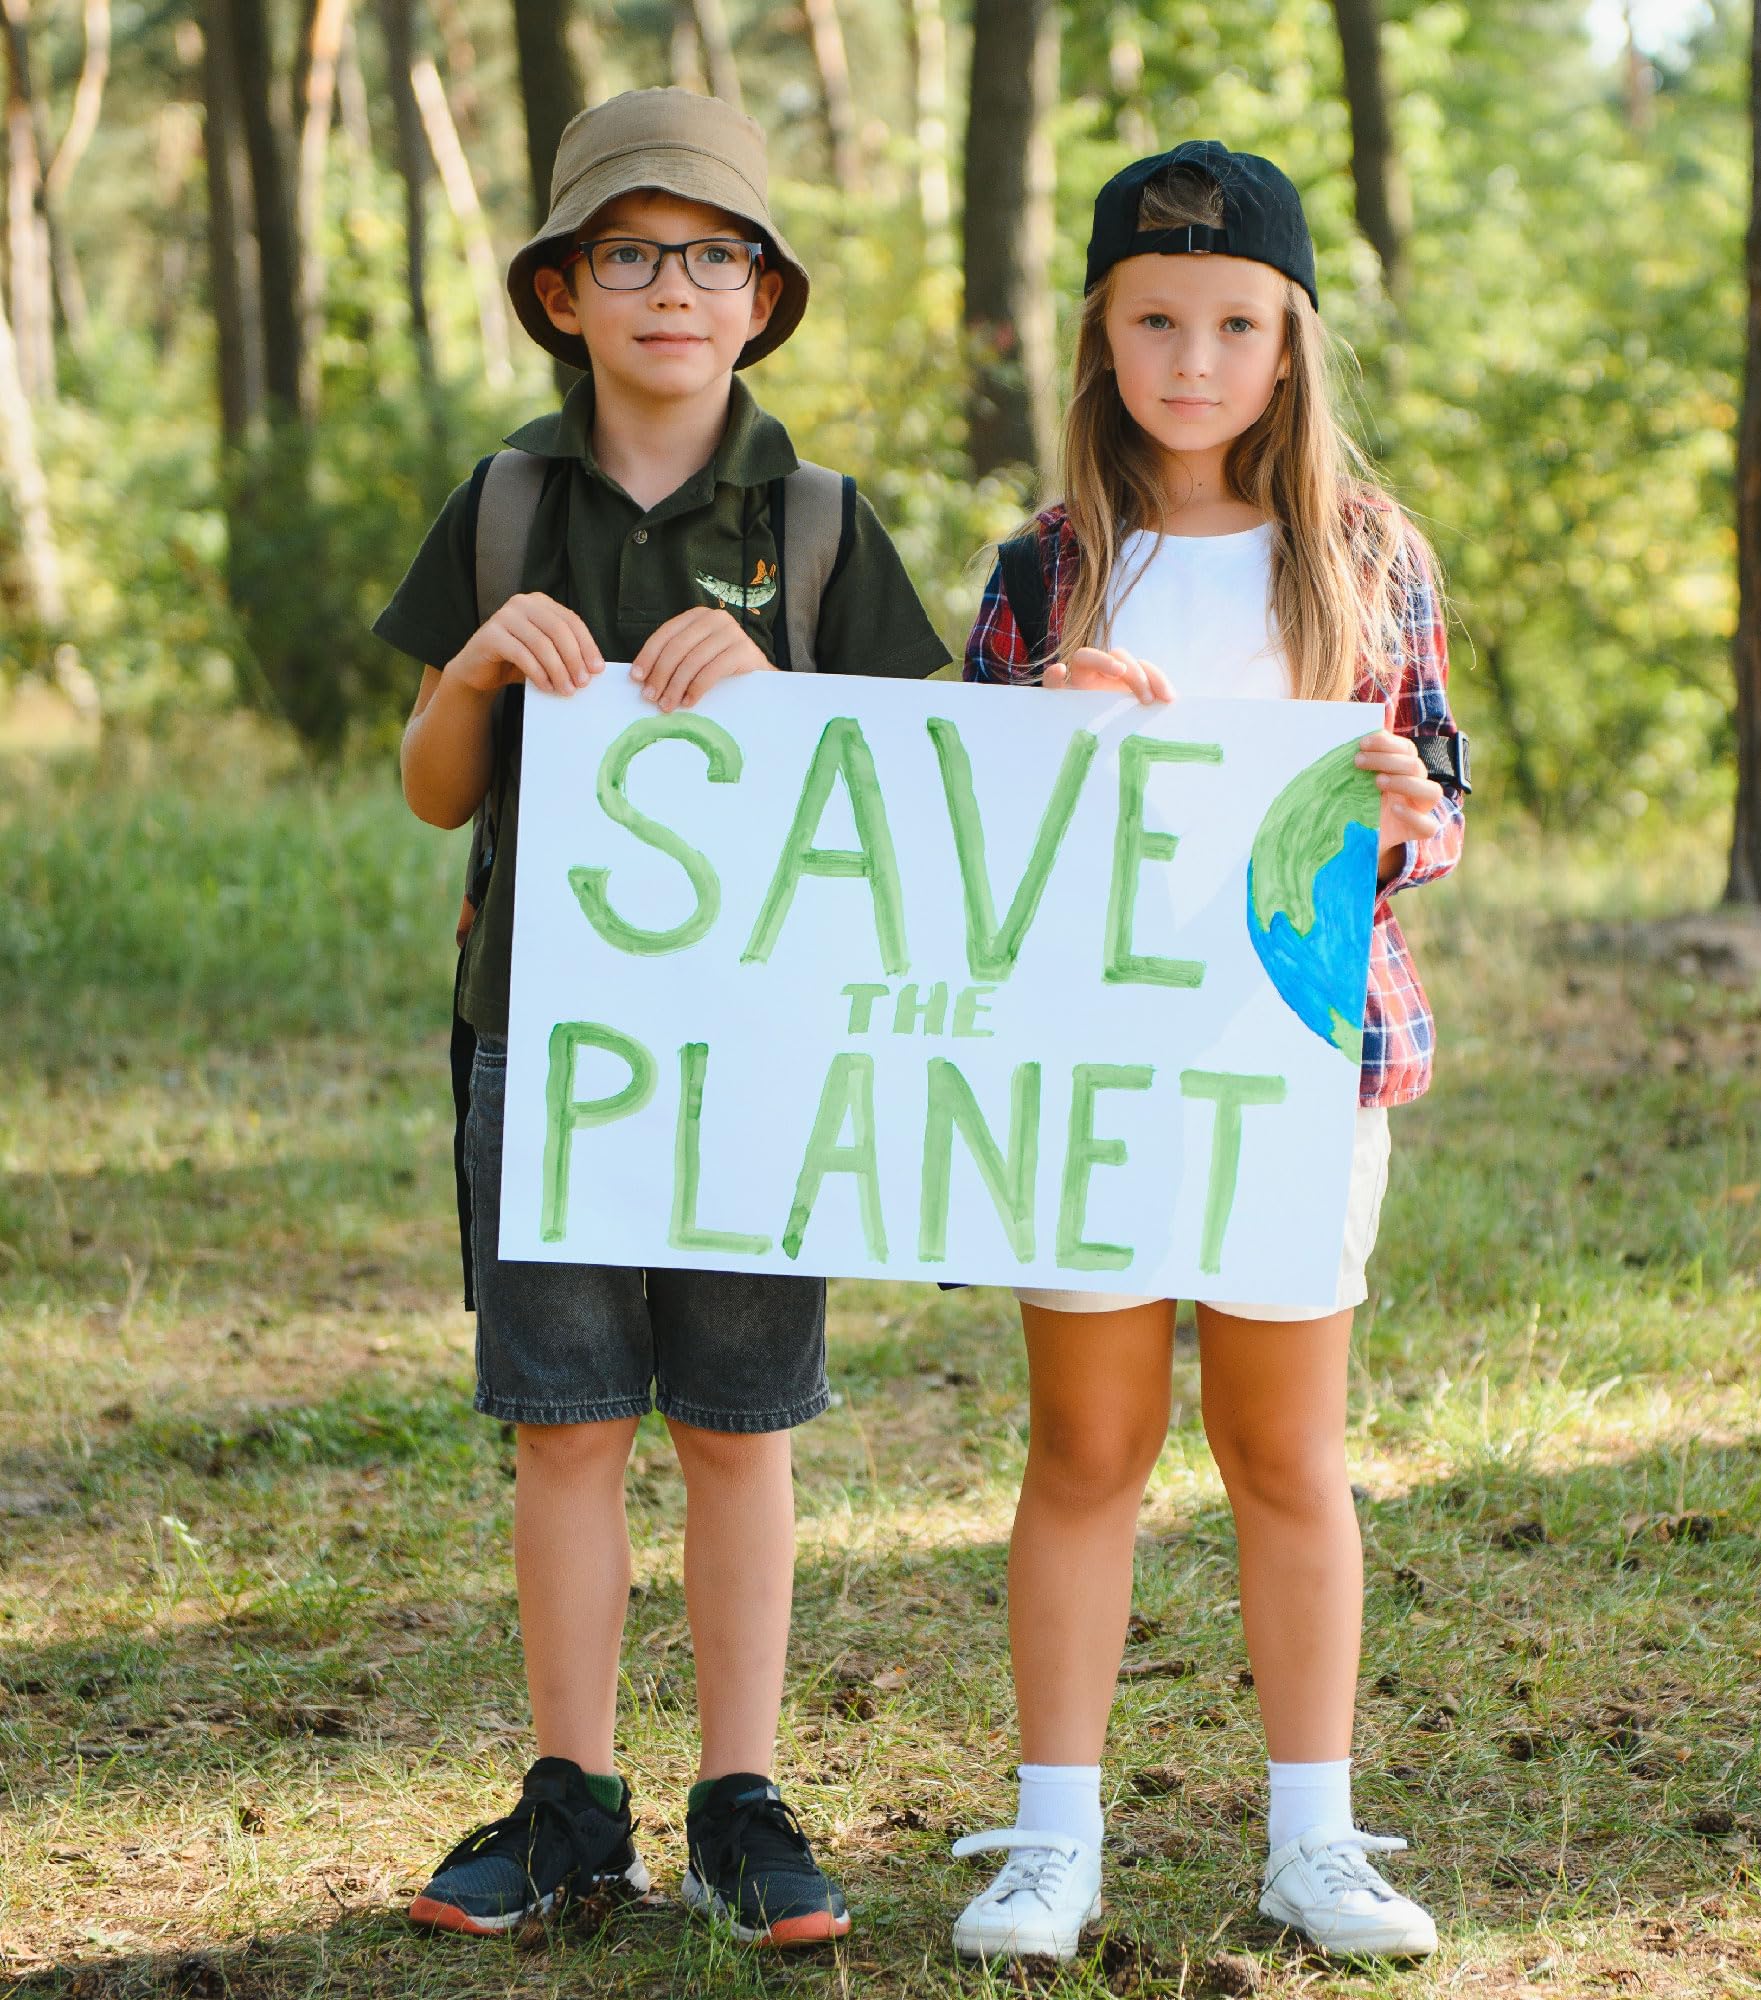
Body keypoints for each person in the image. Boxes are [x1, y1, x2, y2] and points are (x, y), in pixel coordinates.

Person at [374, 87, 949, 1945]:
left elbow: (911, 805)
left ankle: (740, 1799)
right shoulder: (509, 500)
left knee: (737, 1425)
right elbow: (433, 793)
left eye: (712, 256)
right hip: (541, 1039)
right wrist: (475, 663)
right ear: (564, 290)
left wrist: (777, 691)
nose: (672, 289)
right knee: (566, 1427)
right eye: (630, 253)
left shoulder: (819, 521)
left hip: (756, 1054)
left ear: (763, 295)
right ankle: (570, 1800)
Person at [951, 140, 1467, 1963]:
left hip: (1291, 1068)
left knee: (1285, 1454)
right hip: (1088, 1071)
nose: (1194, 358)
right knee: (1085, 1446)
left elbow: (1435, 810)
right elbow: (958, 826)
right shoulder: (1050, 564)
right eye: (1157, 320)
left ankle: (1312, 1836)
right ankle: (1052, 1834)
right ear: (1102, 337)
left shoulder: (1364, 556)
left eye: (1234, 323)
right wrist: (1036, 725)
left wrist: (1402, 805)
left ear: (1289, 341)